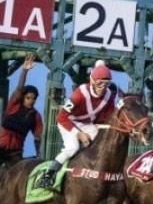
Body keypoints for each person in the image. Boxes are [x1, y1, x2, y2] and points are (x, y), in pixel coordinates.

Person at [37, 60, 119, 189]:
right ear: (92, 81)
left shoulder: (110, 96)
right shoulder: (79, 94)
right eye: (100, 82)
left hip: (85, 123)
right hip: (68, 122)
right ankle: (48, 176)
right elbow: (60, 117)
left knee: (100, 142)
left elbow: (106, 117)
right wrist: (79, 134)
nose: (103, 86)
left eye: (107, 83)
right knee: (72, 147)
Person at [0, 53, 44, 166]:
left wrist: (39, 155)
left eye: (34, 98)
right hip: (1, 146)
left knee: (19, 174)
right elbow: (19, 88)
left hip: (15, 153)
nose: (31, 100)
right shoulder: (14, 105)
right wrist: (25, 70)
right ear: (23, 98)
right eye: (28, 98)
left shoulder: (36, 116)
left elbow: (38, 136)